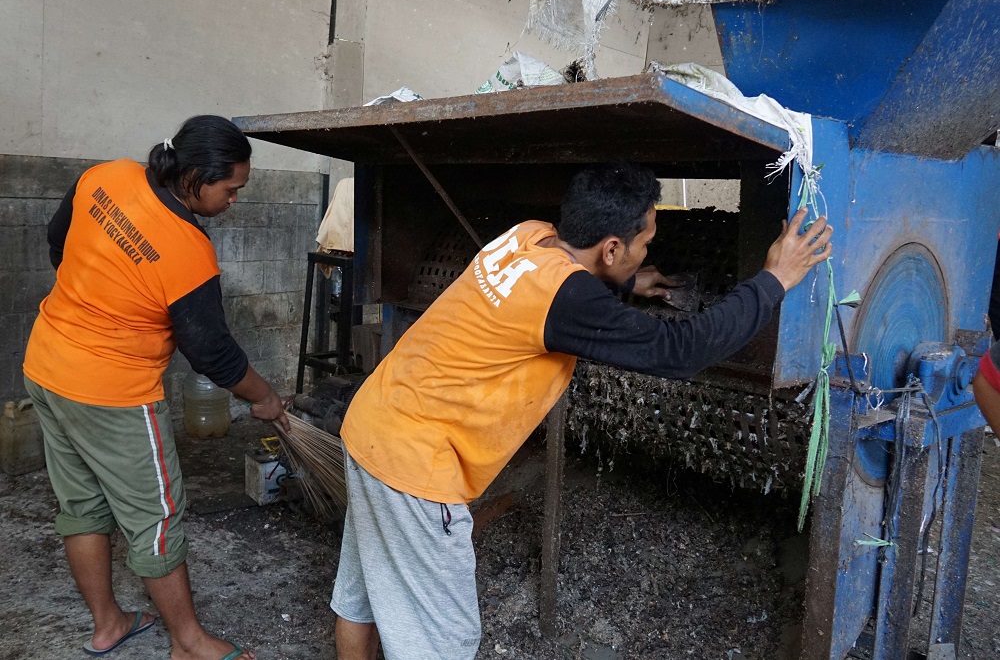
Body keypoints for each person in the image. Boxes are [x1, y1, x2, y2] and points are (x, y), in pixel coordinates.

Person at [329, 162, 834, 659]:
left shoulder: (528, 235)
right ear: (612, 248)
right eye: (645, 244)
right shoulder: (564, 298)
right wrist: (775, 279)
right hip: (414, 468)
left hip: (373, 422)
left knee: (362, 600)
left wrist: (626, 283)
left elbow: (560, 284)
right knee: (444, 645)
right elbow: (679, 350)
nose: (646, 251)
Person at [22, 115, 289, 660]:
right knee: (157, 517)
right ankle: (189, 644)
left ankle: (109, 624)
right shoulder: (187, 250)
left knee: (81, 504)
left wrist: (94, 301)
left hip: (47, 364)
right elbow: (212, 352)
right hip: (113, 394)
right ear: (197, 176)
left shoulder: (107, 176)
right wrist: (263, 396)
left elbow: (58, 243)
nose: (235, 199)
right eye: (231, 188)